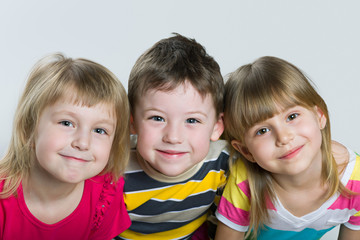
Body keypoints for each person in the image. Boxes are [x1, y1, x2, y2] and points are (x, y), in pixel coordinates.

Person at [215, 56, 360, 240]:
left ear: (320, 116)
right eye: (263, 130)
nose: (283, 137)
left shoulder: (356, 180)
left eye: (292, 117)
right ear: (246, 151)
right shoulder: (245, 182)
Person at [0, 53, 131, 239]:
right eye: (67, 123)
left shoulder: (105, 193)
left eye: (100, 130)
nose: (83, 143)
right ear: (29, 129)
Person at [115, 34, 229, 240]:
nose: (173, 137)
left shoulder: (223, 163)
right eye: (157, 118)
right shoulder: (116, 168)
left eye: (192, 121)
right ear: (132, 122)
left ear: (216, 127)